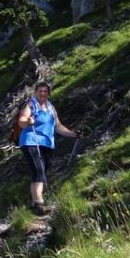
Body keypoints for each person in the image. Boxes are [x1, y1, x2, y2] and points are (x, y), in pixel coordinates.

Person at [17, 81, 78, 215]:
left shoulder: (51, 108)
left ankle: (34, 203)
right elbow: (21, 120)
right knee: (39, 170)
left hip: (47, 144)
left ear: (48, 94)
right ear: (36, 92)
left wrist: (73, 134)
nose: (43, 93)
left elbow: (58, 127)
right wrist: (28, 121)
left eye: (45, 91)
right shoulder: (31, 105)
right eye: (40, 91)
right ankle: (39, 202)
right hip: (31, 141)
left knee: (40, 171)